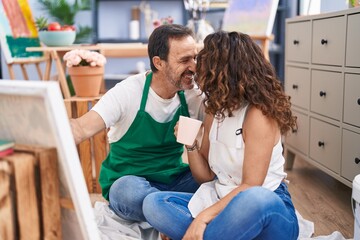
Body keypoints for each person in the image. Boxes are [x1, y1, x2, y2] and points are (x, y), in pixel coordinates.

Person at [142, 31, 299, 240]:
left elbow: (251, 185)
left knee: (254, 199)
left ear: (225, 69)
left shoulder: (258, 114)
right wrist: (190, 145)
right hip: (220, 202)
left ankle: (205, 232)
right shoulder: (214, 109)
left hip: (266, 206)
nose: (197, 67)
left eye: (204, 60)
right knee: (154, 204)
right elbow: (205, 175)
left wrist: (202, 218)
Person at [70, 24, 205, 222]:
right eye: (185, 60)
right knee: (125, 193)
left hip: (174, 182)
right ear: (158, 63)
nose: (193, 66)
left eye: (195, 58)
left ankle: (167, 215)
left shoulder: (193, 95)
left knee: (216, 181)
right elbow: (81, 128)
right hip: (133, 184)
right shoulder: (127, 92)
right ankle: (175, 213)